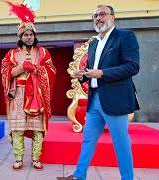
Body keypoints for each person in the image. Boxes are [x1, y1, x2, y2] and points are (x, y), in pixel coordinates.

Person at [57, 5, 140, 180]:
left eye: (102, 14)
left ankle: (127, 178)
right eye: (95, 15)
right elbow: (92, 69)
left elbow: (132, 66)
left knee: (121, 143)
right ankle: (80, 175)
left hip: (115, 100)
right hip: (94, 100)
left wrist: (102, 73)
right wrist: (82, 75)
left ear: (113, 17)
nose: (98, 18)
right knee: (88, 140)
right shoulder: (94, 43)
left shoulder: (125, 37)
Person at [1, 1, 57, 171]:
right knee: (18, 129)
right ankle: (18, 159)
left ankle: (36, 159)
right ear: (20, 37)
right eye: (25, 35)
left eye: (31, 34)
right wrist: (20, 68)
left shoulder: (43, 52)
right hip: (17, 94)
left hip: (37, 96)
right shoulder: (12, 54)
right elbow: (5, 72)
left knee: (37, 130)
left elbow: (52, 70)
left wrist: (37, 69)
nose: (28, 37)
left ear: (35, 36)